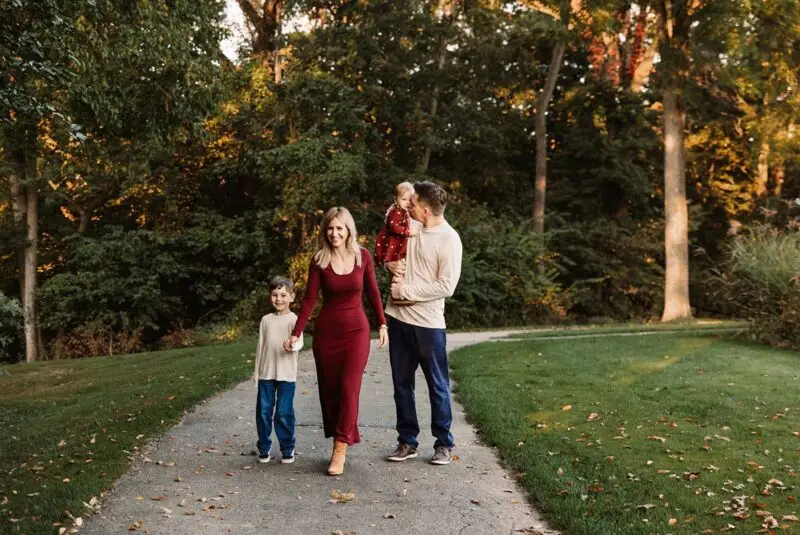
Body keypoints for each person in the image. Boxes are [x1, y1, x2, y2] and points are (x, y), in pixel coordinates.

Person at [285, 207, 388, 476]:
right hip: (327, 334)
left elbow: (373, 291)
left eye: (339, 228)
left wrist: (382, 322)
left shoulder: (362, 256)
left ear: (349, 229)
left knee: (349, 387)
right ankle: (343, 434)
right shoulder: (319, 260)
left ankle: (339, 450)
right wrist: (297, 332)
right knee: (332, 392)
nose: (334, 233)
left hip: (357, 332)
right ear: (324, 230)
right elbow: (309, 299)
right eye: (330, 228)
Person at [384, 181, 462, 465]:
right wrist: (388, 265)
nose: (409, 206)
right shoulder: (409, 228)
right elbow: (389, 251)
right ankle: (407, 442)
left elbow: (446, 286)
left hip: (429, 325)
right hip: (398, 320)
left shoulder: (449, 239)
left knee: (438, 385)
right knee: (401, 385)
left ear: (426, 210)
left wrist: (406, 293)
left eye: (414, 203)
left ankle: (443, 443)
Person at [253, 276, 304, 465]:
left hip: (287, 376)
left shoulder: (294, 320)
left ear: (292, 297)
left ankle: (287, 448)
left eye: (283, 295)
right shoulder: (265, 320)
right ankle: (264, 448)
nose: (279, 299)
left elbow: (300, 342)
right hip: (266, 374)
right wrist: (257, 374)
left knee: (283, 412)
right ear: (270, 296)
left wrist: (293, 346)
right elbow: (260, 347)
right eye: (275, 295)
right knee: (264, 412)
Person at [374, 182, 419, 308]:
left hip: (399, 243)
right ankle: (397, 294)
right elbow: (394, 227)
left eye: (409, 200)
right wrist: (408, 232)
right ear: (395, 199)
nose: (407, 202)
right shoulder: (395, 212)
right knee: (398, 268)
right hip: (394, 244)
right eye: (403, 199)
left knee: (401, 267)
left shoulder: (405, 211)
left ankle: (400, 292)